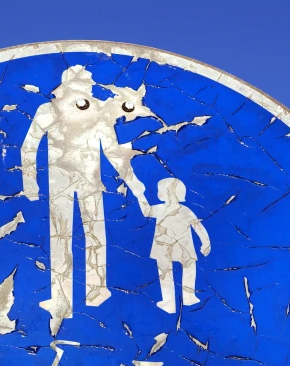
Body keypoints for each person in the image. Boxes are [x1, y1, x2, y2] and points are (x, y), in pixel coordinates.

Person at [21, 65, 150, 333]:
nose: (84, 92)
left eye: (87, 87)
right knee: (60, 238)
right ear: (65, 89)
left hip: (91, 181)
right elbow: (29, 146)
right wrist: (29, 183)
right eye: (79, 87)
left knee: (94, 235)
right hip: (58, 183)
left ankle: (96, 292)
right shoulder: (48, 111)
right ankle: (61, 298)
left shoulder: (99, 114)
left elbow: (114, 153)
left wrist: (136, 187)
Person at [142, 178, 211, 314]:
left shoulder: (174, 210)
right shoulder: (177, 209)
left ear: (168, 192)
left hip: (174, 246)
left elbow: (197, 226)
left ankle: (178, 300)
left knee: (168, 273)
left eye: (159, 190)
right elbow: (198, 227)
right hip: (170, 246)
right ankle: (184, 298)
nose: (157, 193)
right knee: (182, 269)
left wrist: (140, 195)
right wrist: (206, 242)